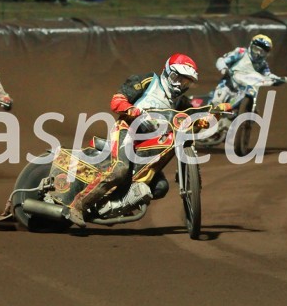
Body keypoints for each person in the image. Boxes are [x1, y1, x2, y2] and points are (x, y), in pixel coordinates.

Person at [66, 54, 201, 227]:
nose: (179, 85)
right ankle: (78, 205)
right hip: (127, 129)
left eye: (186, 82)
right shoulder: (148, 81)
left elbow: (192, 115)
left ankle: (120, 202)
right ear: (167, 71)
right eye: (177, 78)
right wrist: (131, 110)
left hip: (150, 143)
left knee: (160, 187)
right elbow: (117, 100)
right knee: (120, 169)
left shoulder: (180, 101)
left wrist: (213, 113)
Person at [210, 34, 287, 106]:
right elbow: (222, 60)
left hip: (244, 90)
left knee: (251, 101)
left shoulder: (263, 64)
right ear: (251, 46)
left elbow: (268, 75)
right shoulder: (241, 52)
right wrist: (223, 68)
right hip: (228, 85)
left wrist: (278, 79)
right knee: (216, 103)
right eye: (256, 49)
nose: (258, 54)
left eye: (262, 52)